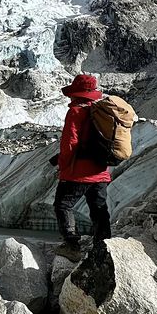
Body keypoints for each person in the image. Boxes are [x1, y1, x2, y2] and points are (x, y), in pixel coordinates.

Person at [52, 74, 112, 260]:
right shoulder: (101, 111)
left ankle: (72, 246)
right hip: (100, 171)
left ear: (76, 94)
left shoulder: (76, 111)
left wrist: (62, 167)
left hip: (78, 173)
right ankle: (104, 246)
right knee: (98, 207)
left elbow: (70, 143)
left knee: (63, 205)